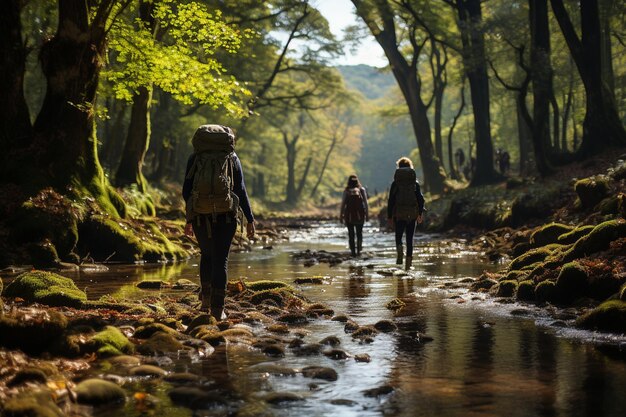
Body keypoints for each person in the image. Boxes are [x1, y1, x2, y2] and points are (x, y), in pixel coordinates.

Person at [182, 124, 255, 320]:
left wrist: (189, 217)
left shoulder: (195, 158)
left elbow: (186, 191)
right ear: (229, 141)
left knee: (206, 255)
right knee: (220, 260)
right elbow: (240, 189)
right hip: (226, 215)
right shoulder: (231, 158)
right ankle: (218, 308)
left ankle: (205, 302)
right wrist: (249, 219)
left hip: (200, 214)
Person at [387, 157, 425, 270]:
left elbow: (391, 200)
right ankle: (408, 266)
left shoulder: (395, 184)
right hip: (412, 214)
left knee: (398, 236)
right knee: (410, 238)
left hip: (399, 214)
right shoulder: (415, 184)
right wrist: (420, 213)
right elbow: (420, 199)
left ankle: (399, 249)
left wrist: (389, 216)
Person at [340, 174, 369, 257]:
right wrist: (367, 215)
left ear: (348, 181)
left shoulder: (346, 191)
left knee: (351, 234)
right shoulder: (361, 190)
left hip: (349, 216)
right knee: (359, 233)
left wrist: (341, 216)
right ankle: (359, 251)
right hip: (360, 215)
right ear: (357, 181)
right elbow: (366, 203)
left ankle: (353, 252)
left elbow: (343, 204)